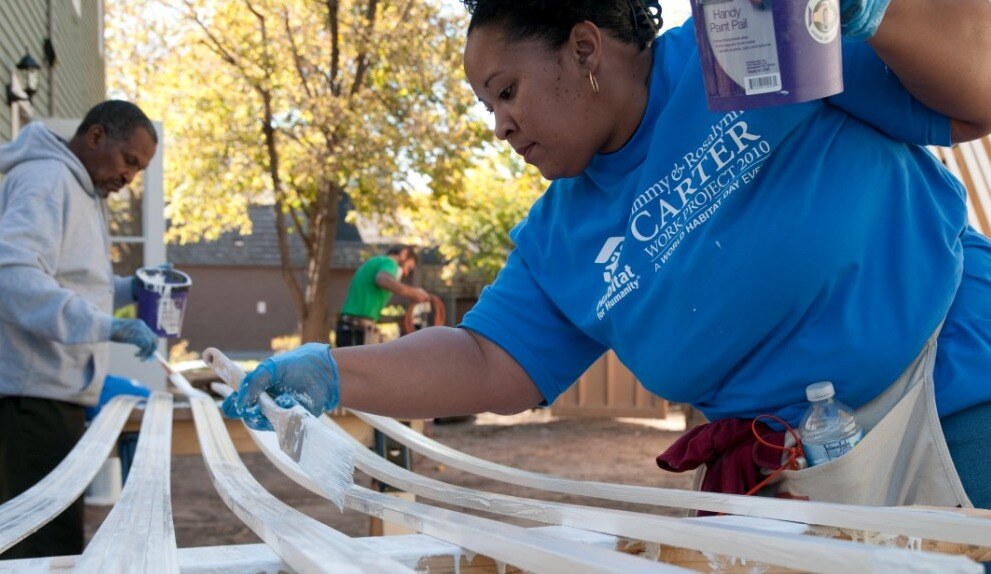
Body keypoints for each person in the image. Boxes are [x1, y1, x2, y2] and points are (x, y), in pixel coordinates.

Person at [223, 0, 991, 519]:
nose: (499, 125)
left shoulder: (746, 40)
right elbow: (490, 359)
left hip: (955, 386)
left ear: (584, 49)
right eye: (489, 105)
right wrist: (333, 373)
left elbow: (972, 97)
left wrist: (866, 13)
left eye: (506, 90)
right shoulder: (563, 234)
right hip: (798, 480)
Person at [0, 100, 160, 558]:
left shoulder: (80, 189)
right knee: (39, 551)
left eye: (140, 170)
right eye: (129, 160)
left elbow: (74, 283)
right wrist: (105, 326)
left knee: (51, 544)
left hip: (54, 397)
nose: (129, 177)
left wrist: (134, 289)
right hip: (31, 401)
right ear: (95, 137)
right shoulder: (47, 180)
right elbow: (15, 280)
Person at [335, 245, 431, 347]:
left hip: (350, 326)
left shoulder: (376, 262)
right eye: (409, 267)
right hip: (356, 329)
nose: (406, 273)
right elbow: (382, 279)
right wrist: (413, 293)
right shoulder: (389, 262)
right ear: (404, 254)